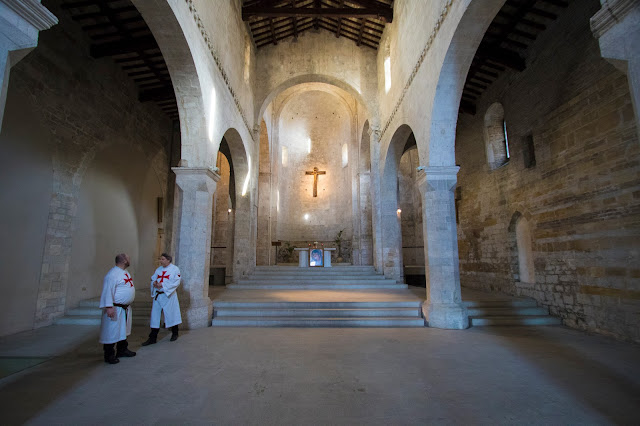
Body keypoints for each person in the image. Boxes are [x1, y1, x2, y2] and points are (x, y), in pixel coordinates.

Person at [99, 253, 136, 364]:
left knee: (122, 331)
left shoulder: (124, 272)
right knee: (111, 332)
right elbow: (107, 291)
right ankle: (109, 355)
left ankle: (122, 350)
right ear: (124, 260)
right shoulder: (112, 274)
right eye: (128, 258)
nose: (130, 260)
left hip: (124, 308)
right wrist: (109, 306)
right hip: (115, 308)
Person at [142, 253, 182, 345]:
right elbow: (153, 278)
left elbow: (176, 282)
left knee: (171, 314)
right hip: (158, 295)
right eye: (160, 259)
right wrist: (154, 283)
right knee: (155, 316)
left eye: (163, 259)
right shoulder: (158, 269)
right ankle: (152, 337)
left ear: (168, 260)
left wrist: (163, 285)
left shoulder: (175, 269)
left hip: (168, 296)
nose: (161, 261)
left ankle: (175, 333)